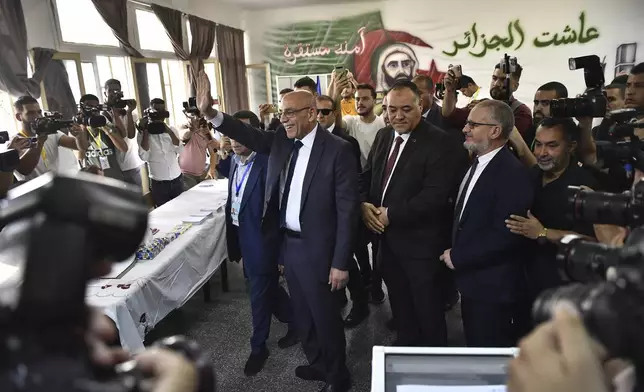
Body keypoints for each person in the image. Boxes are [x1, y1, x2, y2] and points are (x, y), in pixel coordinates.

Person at [197, 71, 357, 392]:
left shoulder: (338, 149)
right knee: (303, 313)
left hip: (321, 251)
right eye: (281, 112)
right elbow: (248, 133)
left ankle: (338, 377)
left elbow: (348, 210)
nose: (282, 118)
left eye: (289, 112)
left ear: (311, 113)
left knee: (325, 318)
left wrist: (341, 262)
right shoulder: (283, 141)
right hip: (289, 246)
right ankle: (318, 364)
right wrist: (211, 113)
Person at [361, 81, 463, 346]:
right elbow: (369, 176)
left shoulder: (441, 142)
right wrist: (363, 204)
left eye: (406, 109)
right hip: (385, 242)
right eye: (392, 109)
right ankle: (407, 347)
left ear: (421, 105)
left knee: (428, 310)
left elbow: (435, 196)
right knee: (400, 304)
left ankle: (435, 366)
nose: (398, 116)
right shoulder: (384, 135)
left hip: (422, 246)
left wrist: (390, 214)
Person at [441, 100, 534, 348]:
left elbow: (506, 236)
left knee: (488, 351)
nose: (465, 128)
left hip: (493, 289)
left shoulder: (512, 174)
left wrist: (459, 256)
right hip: (475, 282)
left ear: (495, 131)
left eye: (473, 124)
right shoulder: (479, 162)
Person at [224, 117, 298, 376]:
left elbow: (280, 209)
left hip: (264, 244)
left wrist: (280, 253)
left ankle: (258, 348)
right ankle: (295, 320)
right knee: (267, 288)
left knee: (258, 295)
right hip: (243, 237)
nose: (234, 140)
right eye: (231, 135)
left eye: (240, 133)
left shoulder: (269, 162)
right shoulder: (234, 161)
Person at [506, 117, 598, 298]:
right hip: (522, 279)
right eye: (538, 144)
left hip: (560, 287)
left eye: (552, 146)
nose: (542, 152)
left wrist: (543, 232)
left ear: (571, 146)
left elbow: (593, 241)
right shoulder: (532, 174)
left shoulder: (585, 187)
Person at [316, 94, 370, 328]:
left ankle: (361, 304)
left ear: (335, 113)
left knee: (346, 262)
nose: (319, 116)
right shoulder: (306, 141)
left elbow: (355, 180)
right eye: (316, 111)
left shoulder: (345, 141)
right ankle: (339, 298)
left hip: (342, 214)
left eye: (325, 112)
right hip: (320, 217)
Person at [12, 96, 88, 182]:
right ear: (19, 117)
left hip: (55, 188)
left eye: (39, 112)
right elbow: (25, 170)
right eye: (31, 113)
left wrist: (79, 136)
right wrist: (40, 141)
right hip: (33, 193)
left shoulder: (52, 134)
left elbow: (82, 147)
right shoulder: (14, 143)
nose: (37, 116)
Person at [137, 98, 183, 207]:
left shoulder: (171, 129)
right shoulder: (142, 134)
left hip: (177, 179)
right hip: (159, 183)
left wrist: (168, 131)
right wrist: (146, 131)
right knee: (165, 214)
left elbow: (180, 150)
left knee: (182, 210)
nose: (159, 114)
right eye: (156, 110)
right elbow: (144, 156)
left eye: (162, 110)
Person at [102, 79, 145, 187]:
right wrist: (114, 113)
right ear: (105, 93)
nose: (114, 93)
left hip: (133, 163)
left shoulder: (128, 113)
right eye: (111, 91)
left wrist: (129, 112)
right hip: (115, 167)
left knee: (137, 199)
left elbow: (130, 135)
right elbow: (121, 135)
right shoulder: (104, 116)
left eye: (117, 90)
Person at [79, 94, 129, 181]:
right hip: (93, 179)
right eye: (89, 107)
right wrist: (83, 126)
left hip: (113, 177)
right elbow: (80, 155)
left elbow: (124, 148)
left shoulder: (105, 122)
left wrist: (104, 127)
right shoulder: (77, 128)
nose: (94, 111)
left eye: (96, 107)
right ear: (82, 109)